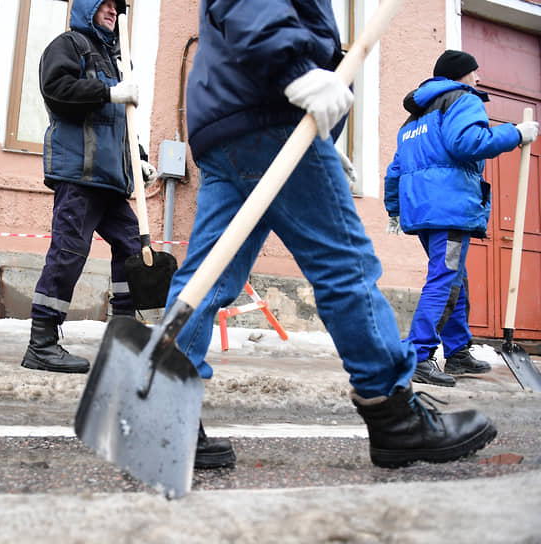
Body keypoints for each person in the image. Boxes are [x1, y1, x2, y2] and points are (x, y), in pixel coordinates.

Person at [166, 2, 498, 470]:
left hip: (227, 124)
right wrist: (296, 69)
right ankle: (393, 412)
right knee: (346, 268)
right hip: (270, 112)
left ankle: (167, 414)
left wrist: (324, 131)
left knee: (208, 274)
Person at [385, 50, 539, 387]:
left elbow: (395, 169)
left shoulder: (414, 119)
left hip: (422, 211)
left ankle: (457, 352)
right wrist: (516, 133)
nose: (479, 78)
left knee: (455, 277)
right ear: (459, 75)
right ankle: (418, 355)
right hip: (449, 207)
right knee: (445, 277)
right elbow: (468, 142)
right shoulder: (463, 100)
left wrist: (394, 209)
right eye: (474, 72)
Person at [21, 0, 157, 374]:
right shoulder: (69, 46)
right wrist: (109, 92)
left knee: (132, 248)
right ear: (88, 8)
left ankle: (124, 334)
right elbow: (58, 90)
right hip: (79, 172)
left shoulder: (116, 60)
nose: (113, 11)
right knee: (69, 251)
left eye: (117, 6)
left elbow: (121, 122)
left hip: (111, 178)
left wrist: (138, 157)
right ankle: (42, 341)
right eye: (105, 4)